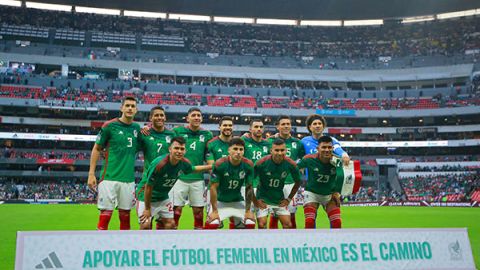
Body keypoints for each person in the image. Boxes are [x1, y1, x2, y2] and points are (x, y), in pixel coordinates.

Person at [87, 96, 141, 230]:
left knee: (125, 216)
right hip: (109, 178)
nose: (130, 108)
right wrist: (91, 174)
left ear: (136, 110)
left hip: (128, 180)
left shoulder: (136, 128)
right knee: (105, 215)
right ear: (121, 108)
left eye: (132, 106)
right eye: (127, 105)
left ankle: (124, 247)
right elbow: (97, 148)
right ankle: (100, 246)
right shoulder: (109, 126)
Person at [137, 136, 212, 230]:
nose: (179, 151)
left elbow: (192, 169)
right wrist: (147, 209)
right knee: (145, 225)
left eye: (182, 149)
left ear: (185, 151)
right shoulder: (160, 164)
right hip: (145, 197)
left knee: (170, 224)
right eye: (176, 148)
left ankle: (163, 244)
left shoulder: (184, 163)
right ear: (170, 149)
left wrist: (211, 166)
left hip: (162, 198)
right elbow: (148, 187)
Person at [172, 107, 213, 229]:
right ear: (187, 118)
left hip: (197, 179)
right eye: (194, 115)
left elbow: (209, 154)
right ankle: (172, 236)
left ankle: (198, 239)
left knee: (199, 213)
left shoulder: (207, 134)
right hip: (178, 178)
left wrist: (212, 169)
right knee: (176, 211)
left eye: (199, 115)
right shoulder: (177, 131)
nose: (196, 117)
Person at [137, 106, 176, 229]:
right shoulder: (145, 134)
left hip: (165, 186)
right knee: (146, 224)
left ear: (165, 117)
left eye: (161, 115)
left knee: (169, 224)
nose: (159, 117)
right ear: (150, 118)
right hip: (148, 182)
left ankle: (163, 247)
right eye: (156, 115)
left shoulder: (172, 135)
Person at [204, 137, 255, 229]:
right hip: (220, 200)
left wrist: (248, 210)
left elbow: (249, 188)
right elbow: (213, 187)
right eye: (235, 149)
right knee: (212, 223)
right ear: (229, 150)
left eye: (241, 149)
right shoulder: (220, 164)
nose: (238, 152)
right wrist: (215, 211)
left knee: (250, 222)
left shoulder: (248, 165)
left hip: (237, 200)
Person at [253, 139, 301, 229]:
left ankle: (284, 243)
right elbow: (249, 182)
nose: (279, 153)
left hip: (279, 199)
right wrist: (256, 201)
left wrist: (288, 199)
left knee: (288, 225)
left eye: (282, 150)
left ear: (286, 151)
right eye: (277, 150)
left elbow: (298, 182)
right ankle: (263, 242)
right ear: (271, 151)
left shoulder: (291, 164)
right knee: (262, 224)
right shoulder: (261, 163)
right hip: (263, 199)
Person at [297, 136, 343, 229]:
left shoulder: (337, 161)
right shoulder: (309, 159)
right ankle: (310, 242)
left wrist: (337, 192)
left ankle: (335, 242)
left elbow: (341, 176)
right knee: (309, 221)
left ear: (332, 148)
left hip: (329, 194)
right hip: (312, 193)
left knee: (337, 222)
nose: (327, 150)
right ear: (318, 148)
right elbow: (294, 169)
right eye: (324, 147)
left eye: (329, 147)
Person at [268, 115, 305, 229]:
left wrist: (299, 169)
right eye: (283, 124)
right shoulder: (269, 141)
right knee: (274, 214)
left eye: (288, 124)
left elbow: (303, 160)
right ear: (277, 126)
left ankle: (292, 241)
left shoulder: (297, 143)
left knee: (291, 213)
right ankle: (271, 241)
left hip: (290, 183)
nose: (286, 126)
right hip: (274, 183)